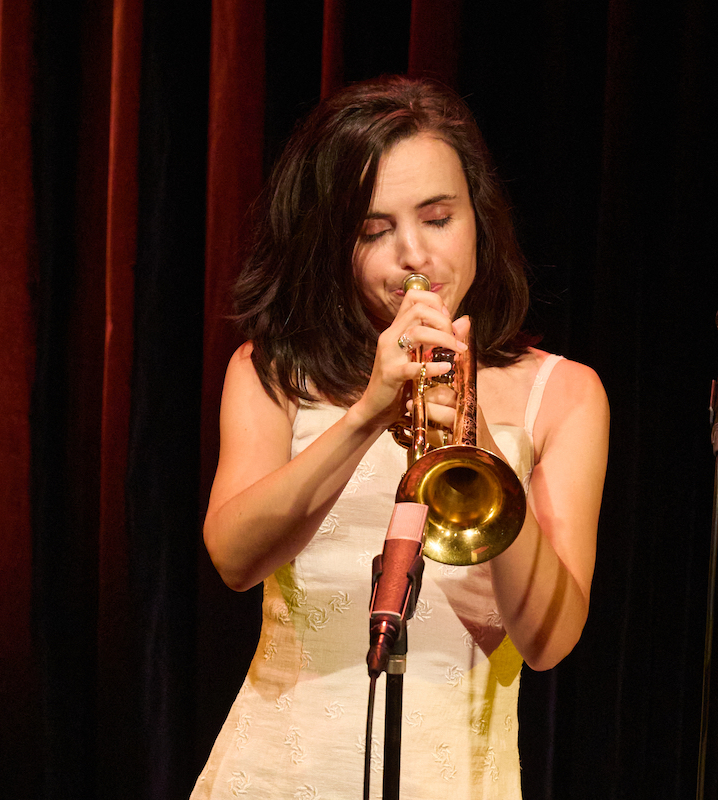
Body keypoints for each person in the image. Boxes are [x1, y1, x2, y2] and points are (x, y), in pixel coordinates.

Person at [190, 75, 609, 799]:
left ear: (478, 218)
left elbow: (549, 640)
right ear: (334, 245)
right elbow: (233, 559)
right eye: (373, 232)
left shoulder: (565, 393)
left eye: (438, 218)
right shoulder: (271, 371)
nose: (414, 256)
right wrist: (366, 415)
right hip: (274, 775)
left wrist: (477, 438)